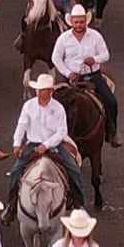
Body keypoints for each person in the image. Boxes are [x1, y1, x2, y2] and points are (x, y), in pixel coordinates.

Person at [8, 73, 86, 213]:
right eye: (38, 89)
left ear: (50, 91)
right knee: (15, 171)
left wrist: (46, 145)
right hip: (33, 143)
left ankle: (79, 203)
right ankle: (11, 205)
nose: (38, 92)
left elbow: (61, 132)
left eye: (42, 90)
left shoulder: (58, 108)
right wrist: (16, 143)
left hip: (55, 144)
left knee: (73, 169)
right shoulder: (28, 106)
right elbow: (22, 125)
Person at [52, 5, 118, 146]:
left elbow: (106, 54)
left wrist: (94, 59)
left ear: (85, 21)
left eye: (81, 22)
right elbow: (55, 58)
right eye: (76, 22)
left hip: (92, 76)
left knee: (111, 101)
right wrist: (68, 73)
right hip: (70, 78)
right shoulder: (64, 38)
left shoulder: (95, 36)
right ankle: (51, 135)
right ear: (72, 22)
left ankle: (112, 132)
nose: (79, 25)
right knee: (53, 102)